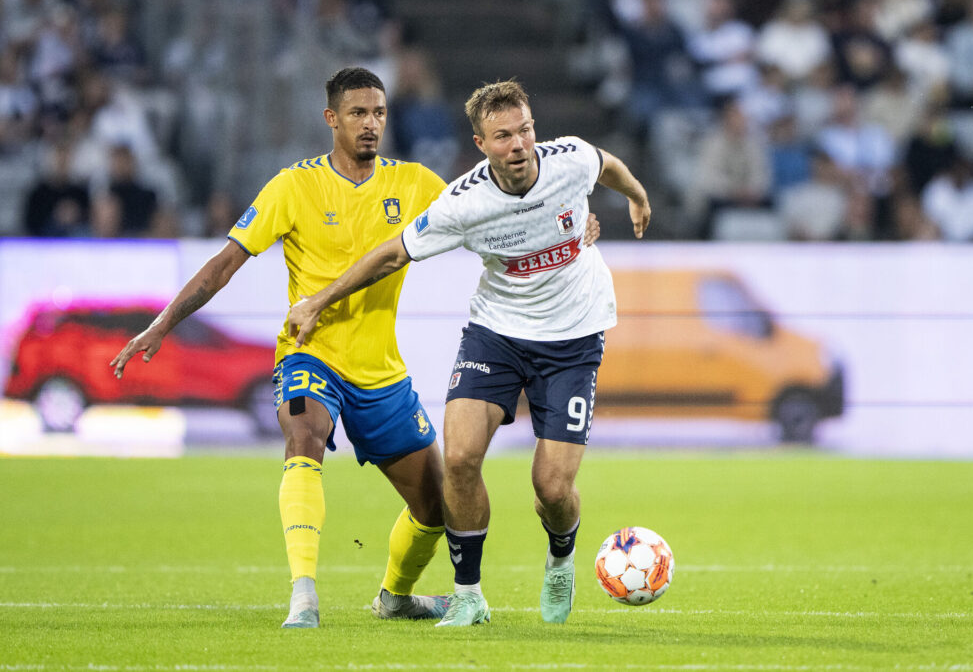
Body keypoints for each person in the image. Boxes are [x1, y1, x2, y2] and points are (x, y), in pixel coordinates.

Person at [286, 79, 650, 627]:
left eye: (525, 130)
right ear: (481, 144)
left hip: (574, 336)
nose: (519, 144)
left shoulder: (569, 159)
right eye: (503, 136)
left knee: (552, 489)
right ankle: (469, 594)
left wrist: (637, 196)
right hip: (497, 333)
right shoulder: (463, 202)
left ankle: (560, 557)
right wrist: (319, 300)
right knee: (457, 459)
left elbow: (607, 165)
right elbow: (391, 254)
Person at [109, 68, 456, 629]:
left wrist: (562, 227)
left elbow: (485, 210)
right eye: (358, 114)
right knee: (303, 435)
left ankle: (395, 596)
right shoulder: (293, 186)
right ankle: (304, 594)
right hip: (309, 353)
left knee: (437, 508)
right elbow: (224, 265)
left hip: (381, 372)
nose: (371, 125)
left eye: (379, 114)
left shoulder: (415, 182)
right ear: (331, 119)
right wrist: (161, 324)